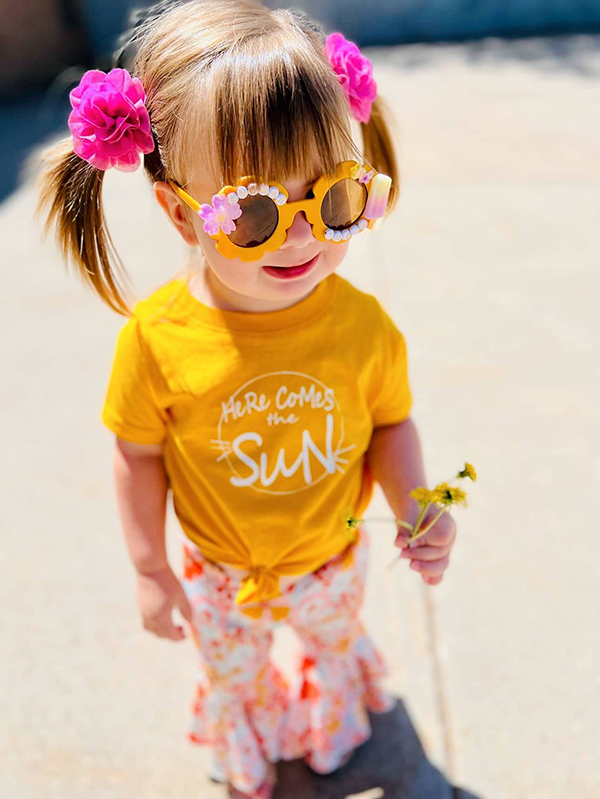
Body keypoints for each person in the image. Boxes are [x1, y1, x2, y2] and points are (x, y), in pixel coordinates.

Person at [37, 1, 457, 797]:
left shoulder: (363, 327)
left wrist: (417, 505)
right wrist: (150, 567)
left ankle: (336, 728)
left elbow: (391, 422)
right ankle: (252, 744)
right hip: (219, 571)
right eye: (257, 213)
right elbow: (137, 454)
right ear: (178, 211)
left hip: (330, 559)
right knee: (237, 672)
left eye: (333, 199)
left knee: (333, 646)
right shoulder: (160, 341)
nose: (302, 237)